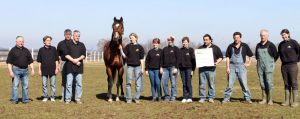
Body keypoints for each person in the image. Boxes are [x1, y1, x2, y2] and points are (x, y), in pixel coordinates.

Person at [222, 32, 253, 104]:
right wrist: (227, 68)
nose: (236, 39)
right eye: (235, 37)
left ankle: (247, 98)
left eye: (238, 37)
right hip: (232, 67)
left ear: (240, 38)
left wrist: (248, 63)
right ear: (233, 38)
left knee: (244, 84)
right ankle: (226, 98)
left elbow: (251, 55)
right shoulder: (230, 46)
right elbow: (227, 57)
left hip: (242, 67)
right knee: (230, 84)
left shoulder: (245, 46)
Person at [7, 36, 34, 104]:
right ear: (16, 42)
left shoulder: (26, 50)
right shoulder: (12, 50)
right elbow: (9, 62)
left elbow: (30, 61)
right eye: (19, 41)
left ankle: (25, 100)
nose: (21, 43)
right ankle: (14, 100)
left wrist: (32, 69)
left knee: (25, 86)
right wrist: (10, 71)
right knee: (15, 86)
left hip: (25, 70)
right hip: (16, 70)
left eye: (22, 41)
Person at [120, 33, 145, 103]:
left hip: (138, 67)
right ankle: (128, 99)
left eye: (132, 37)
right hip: (129, 67)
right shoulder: (128, 46)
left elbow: (142, 59)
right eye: (130, 38)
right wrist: (121, 50)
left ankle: (137, 98)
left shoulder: (140, 47)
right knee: (128, 83)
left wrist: (142, 68)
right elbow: (124, 56)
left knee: (138, 84)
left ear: (136, 38)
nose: (131, 39)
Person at [255, 29, 278, 105]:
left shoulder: (271, 45)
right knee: (262, 83)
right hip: (260, 67)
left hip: (268, 67)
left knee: (269, 82)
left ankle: (270, 100)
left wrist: (270, 63)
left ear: (267, 36)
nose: (262, 37)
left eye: (264, 35)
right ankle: (264, 99)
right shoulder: (258, 45)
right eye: (261, 35)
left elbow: (276, 56)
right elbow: (256, 56)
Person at [198, 34, 223, 103]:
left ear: (210, 40)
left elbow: (221, 57)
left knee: (211, 84)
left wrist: (217, 63)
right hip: (202, 69)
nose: (205, 41)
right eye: (204, 40)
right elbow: (197, 57)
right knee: (202, 84)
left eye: (206, 40)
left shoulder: (215, 48)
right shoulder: (200, 48)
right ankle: (202, 97)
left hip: (211, 69)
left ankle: (211, 97)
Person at [278, 29, 299, 107]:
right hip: (284, 66)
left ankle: (295, 102)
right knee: (286, 83)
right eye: (282, 35)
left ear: (288, 34)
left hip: (292, 65)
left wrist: (296, 59)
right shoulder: (281, 44)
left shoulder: (294, 42)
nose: (283, 36)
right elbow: (279, 54)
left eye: (284, 34)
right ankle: (287, 101)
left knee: (293, 82)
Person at [64, 30, 86, 104]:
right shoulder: (68, 44)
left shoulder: (82, 45)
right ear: (73, 36)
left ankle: (77, 99)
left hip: (79, 67)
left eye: (78, 36)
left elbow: (83, 55)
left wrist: (77, 60)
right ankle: (68, 99)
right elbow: (66, 55)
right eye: (76, 36)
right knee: (69, 84)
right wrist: (73, 60)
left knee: (79, 84)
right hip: (70, 67)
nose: (77, 37)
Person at [37, 35, 59, 102]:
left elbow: (56, 60)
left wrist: (57, 68)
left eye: (50, 40)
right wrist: (39, 69)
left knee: (53, 84)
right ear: (44, 42)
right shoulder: (41, 50)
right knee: (44, 84)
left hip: (53, 69)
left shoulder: (54, 49)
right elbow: (39, 61)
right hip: (44, 70)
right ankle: (45, 96)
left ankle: (52, 97)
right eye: (47, 40)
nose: (49, 42)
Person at [161, 36, 179, 102]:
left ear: (173, 41)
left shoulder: (176, 49)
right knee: (164, 83)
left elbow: (178, 59)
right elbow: (161, 59)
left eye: (171, 40)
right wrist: (161, 67)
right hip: (165, 68)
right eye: (168, 40)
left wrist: (176, 68)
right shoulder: (164, 49)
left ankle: (173, 96)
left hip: (173, 68)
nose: (169, 41)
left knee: (173, 83)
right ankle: (167, 96)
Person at [178, 37, 196, 103]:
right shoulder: (180, 50)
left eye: (185, 42)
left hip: (189, 69)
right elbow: (178, 60)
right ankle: (185, 97)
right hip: (182, 69)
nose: (184, 43)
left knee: (188, 83)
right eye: (183, 42)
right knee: (184, 83)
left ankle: (190, 97)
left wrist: (193, 70)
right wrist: (178, 68)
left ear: (188, 42)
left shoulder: (191, 50)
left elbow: (194, 61)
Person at [57, 29, 72, 102]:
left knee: (72, 81)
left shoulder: (73, 43)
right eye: (66, 34)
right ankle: (63, 96)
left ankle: (71, 96)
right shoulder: (60, 43)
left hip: (72, 63)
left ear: (71, 35)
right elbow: (58, 55)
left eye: (69, 34)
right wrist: (59, 65)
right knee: (64, 81)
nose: (68, 35)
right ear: (64, 35)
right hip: (63, 63)